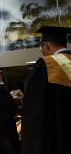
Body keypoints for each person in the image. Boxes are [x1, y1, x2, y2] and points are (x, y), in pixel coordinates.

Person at [21, 26, 71, 154]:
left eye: (41, 48)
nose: (42, 52)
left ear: (47, 46)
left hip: (59, 140)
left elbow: (35, 109)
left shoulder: (46, 64)